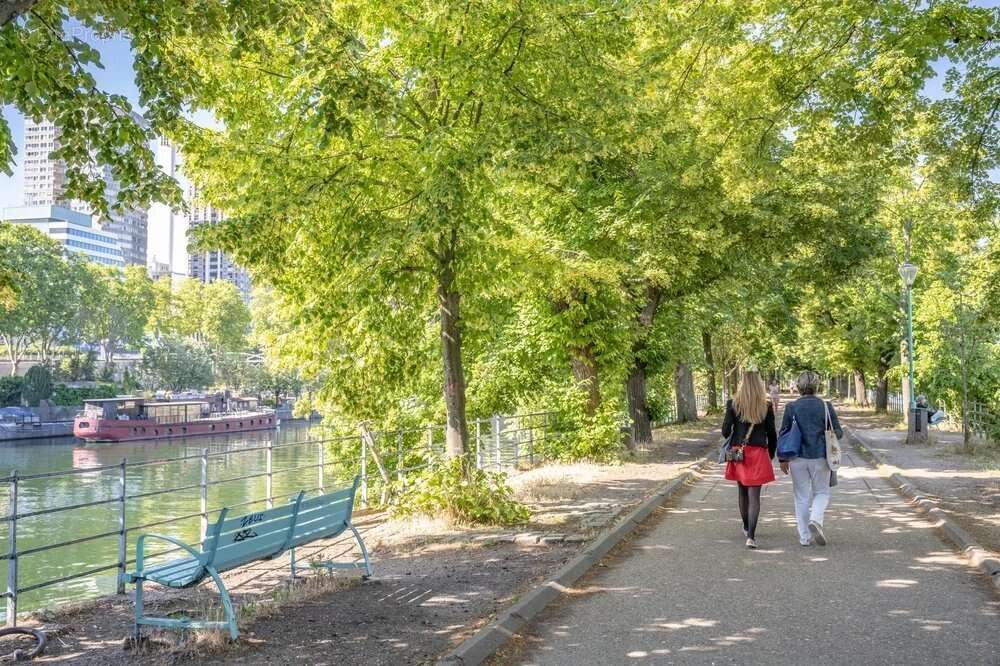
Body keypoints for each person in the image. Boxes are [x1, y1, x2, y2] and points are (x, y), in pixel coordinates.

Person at [778, 371, 843, 547]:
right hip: (821, 457)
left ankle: (804, 537)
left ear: (798, 387)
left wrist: (782, 459)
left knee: (801, 497)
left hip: (796, 457)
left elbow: (783, 433)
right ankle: (815, 520)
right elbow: (838, 432)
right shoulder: (825, 406)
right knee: (821, 492)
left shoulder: (791, 407)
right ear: (817, 386)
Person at [722, 370, 778, 549]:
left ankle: (746, 526)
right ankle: (751, 537)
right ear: (759, 384)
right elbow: (772, 433)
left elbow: (725, 431)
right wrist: (771, 454)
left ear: (742, 383)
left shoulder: (733, 404)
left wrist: (734, 429)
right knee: (755, 496)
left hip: (740, 453)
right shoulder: (766, 405)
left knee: (742, 492)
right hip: (759, 453)